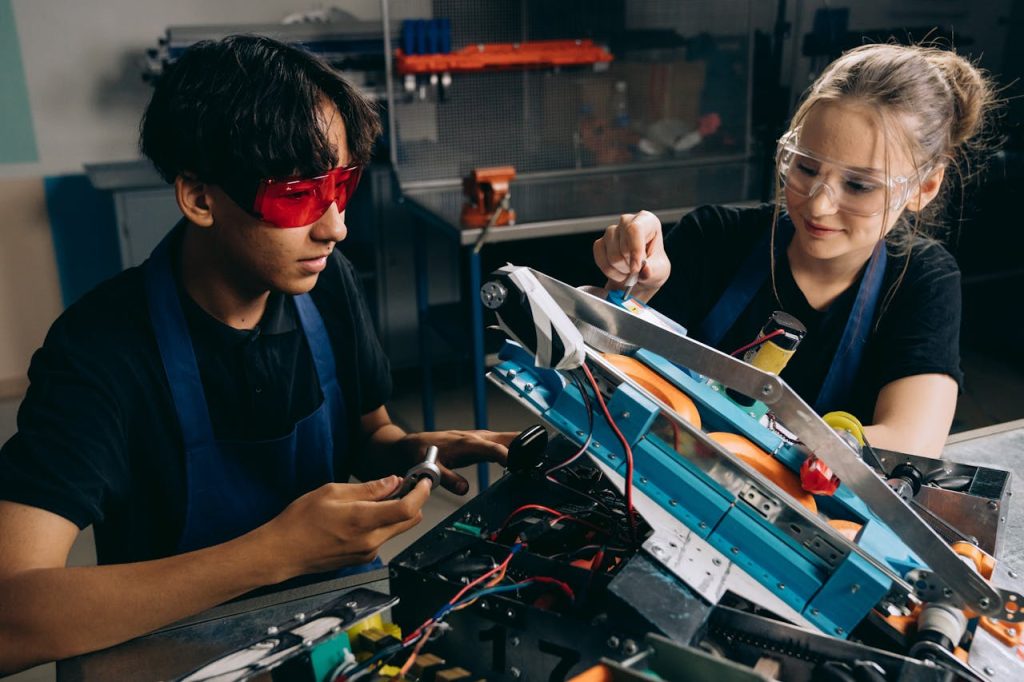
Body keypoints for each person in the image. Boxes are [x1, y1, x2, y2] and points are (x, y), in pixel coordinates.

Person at [0, 35, 511, 674]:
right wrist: (273, 554)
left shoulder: (329, 282)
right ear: (200, 197)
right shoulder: (100, 350)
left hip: (338, 621)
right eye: (296, 194)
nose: (335, 227)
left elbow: (368, 432)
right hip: (178, 649)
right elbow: (10, 615)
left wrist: (407, 454)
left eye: (342, 185)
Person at [593, 43, 996, 458]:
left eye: (858, 186)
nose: (818, 205)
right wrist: (636, 292)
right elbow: (607, 373)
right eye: (805, 168)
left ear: (923, 188)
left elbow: (912, 443)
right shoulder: (712, 238)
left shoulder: (921, 279)